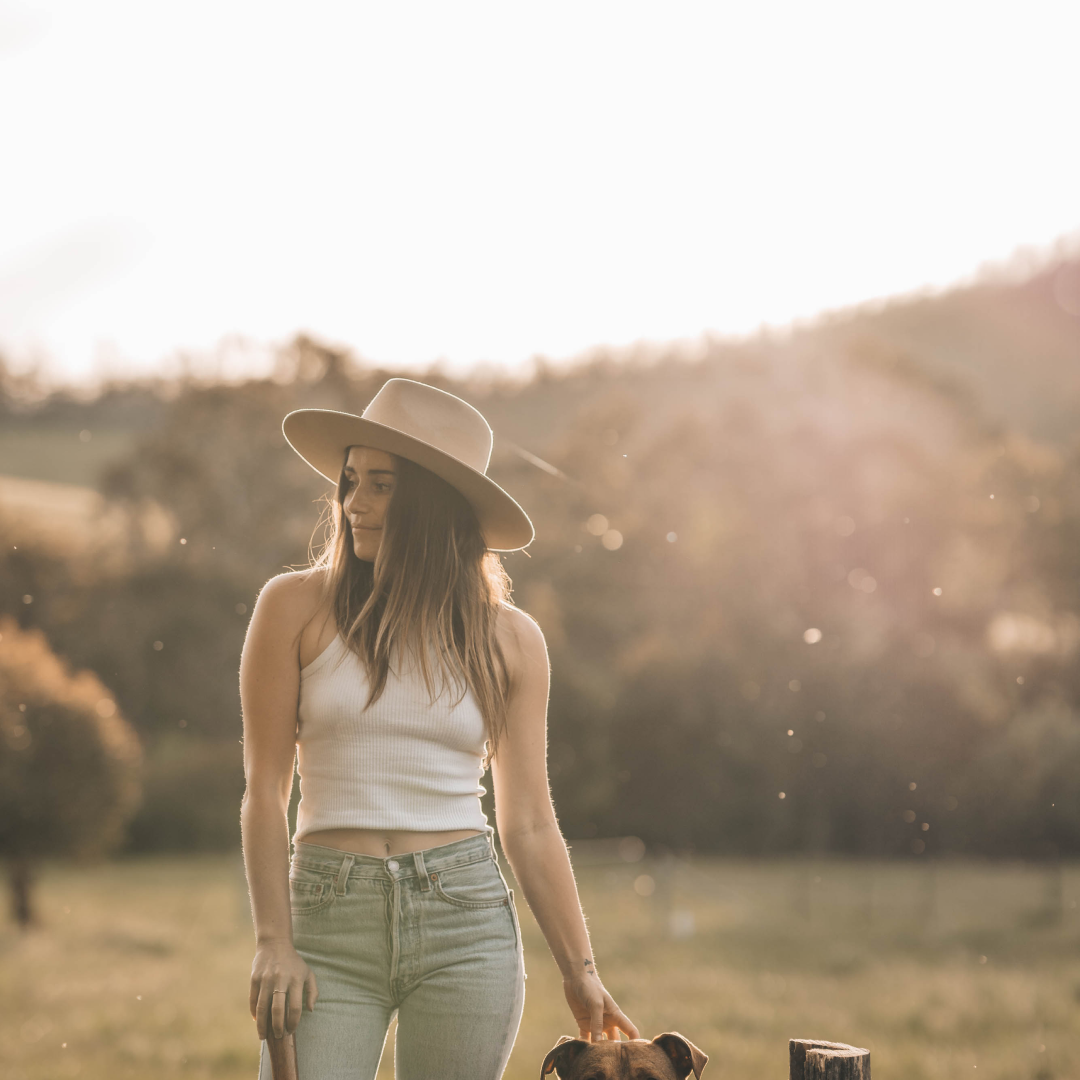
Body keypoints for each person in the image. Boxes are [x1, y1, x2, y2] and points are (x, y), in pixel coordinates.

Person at [240, 378, 638, 1080]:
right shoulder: (292, 607)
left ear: (433, 505)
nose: (352, 502)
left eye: (381, 485)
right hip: (329, 923)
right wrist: (274, 939)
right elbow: (264, 790)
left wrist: (580, 971)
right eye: (351, 480)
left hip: (466, 921)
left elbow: (530, 822)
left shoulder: (511, 640)